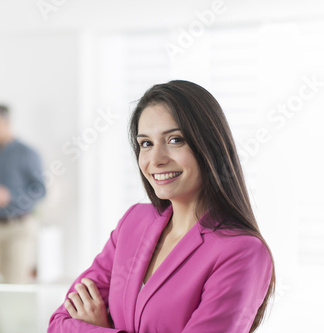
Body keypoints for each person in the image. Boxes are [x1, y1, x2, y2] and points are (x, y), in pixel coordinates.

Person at [48, 80, 275, 332]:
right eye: (146, 143)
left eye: (175, 140)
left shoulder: (241, 251)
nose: (156, 159)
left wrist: (102, 328)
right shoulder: (134, 222)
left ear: (209, 146)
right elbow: (59, 323)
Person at [0, 104, 46, 284]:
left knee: (16, 283)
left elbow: (40, 190)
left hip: (19, 227)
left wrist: (11, 196)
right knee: (3, 283)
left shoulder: (27, 153)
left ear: (7, 122)